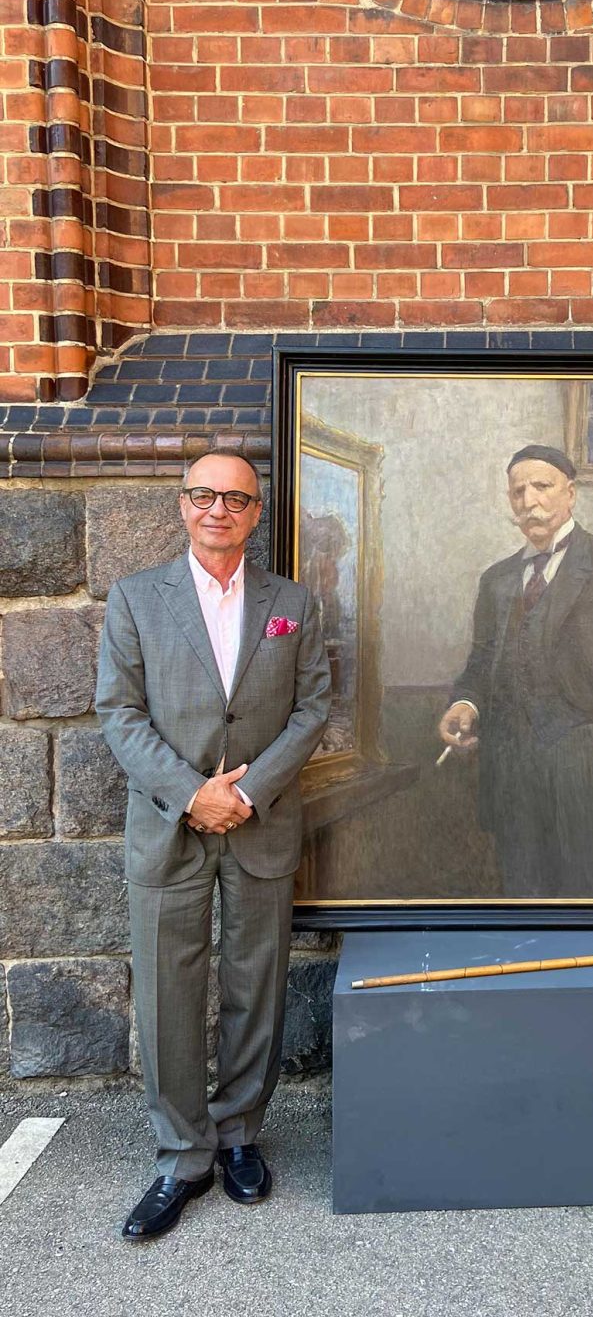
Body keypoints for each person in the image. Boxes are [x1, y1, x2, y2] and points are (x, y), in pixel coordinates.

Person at [96, 449, 331, 1238]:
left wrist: (247, 792)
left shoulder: (290, 603)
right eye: (204, 495)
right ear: (183, 505)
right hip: (170, 822)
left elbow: (311, 709)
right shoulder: (136, 598)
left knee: (254, 981)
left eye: (235, 499)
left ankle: (237, 1136)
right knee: (168, 987)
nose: (218, 510)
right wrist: (193, 793)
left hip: (261, 821)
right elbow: (119, 711)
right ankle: (181, 1154)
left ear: (255, 513)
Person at [437, 444, 593, 897]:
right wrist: (465, 703)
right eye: (518, 491)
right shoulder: (496, 580)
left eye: (542, 486)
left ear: (570, 493)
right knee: (526, 906)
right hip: (513, 781)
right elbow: (481, 664)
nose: (529, 500)